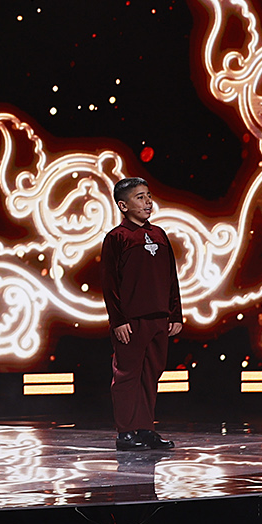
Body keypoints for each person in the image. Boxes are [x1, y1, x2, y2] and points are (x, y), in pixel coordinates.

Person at [100, 177, 182, 452]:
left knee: (151, 375)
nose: (147, 202)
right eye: (140, 197)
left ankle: (146, 430)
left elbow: (171, 277)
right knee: (127, 376)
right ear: (123, 205)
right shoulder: (117, 238)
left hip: (159, 317)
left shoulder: (159, 234)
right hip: (131, 321)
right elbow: (110, 283)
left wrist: (175, 314)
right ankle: (126, 432)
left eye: (148, 196)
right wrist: (118, 320)